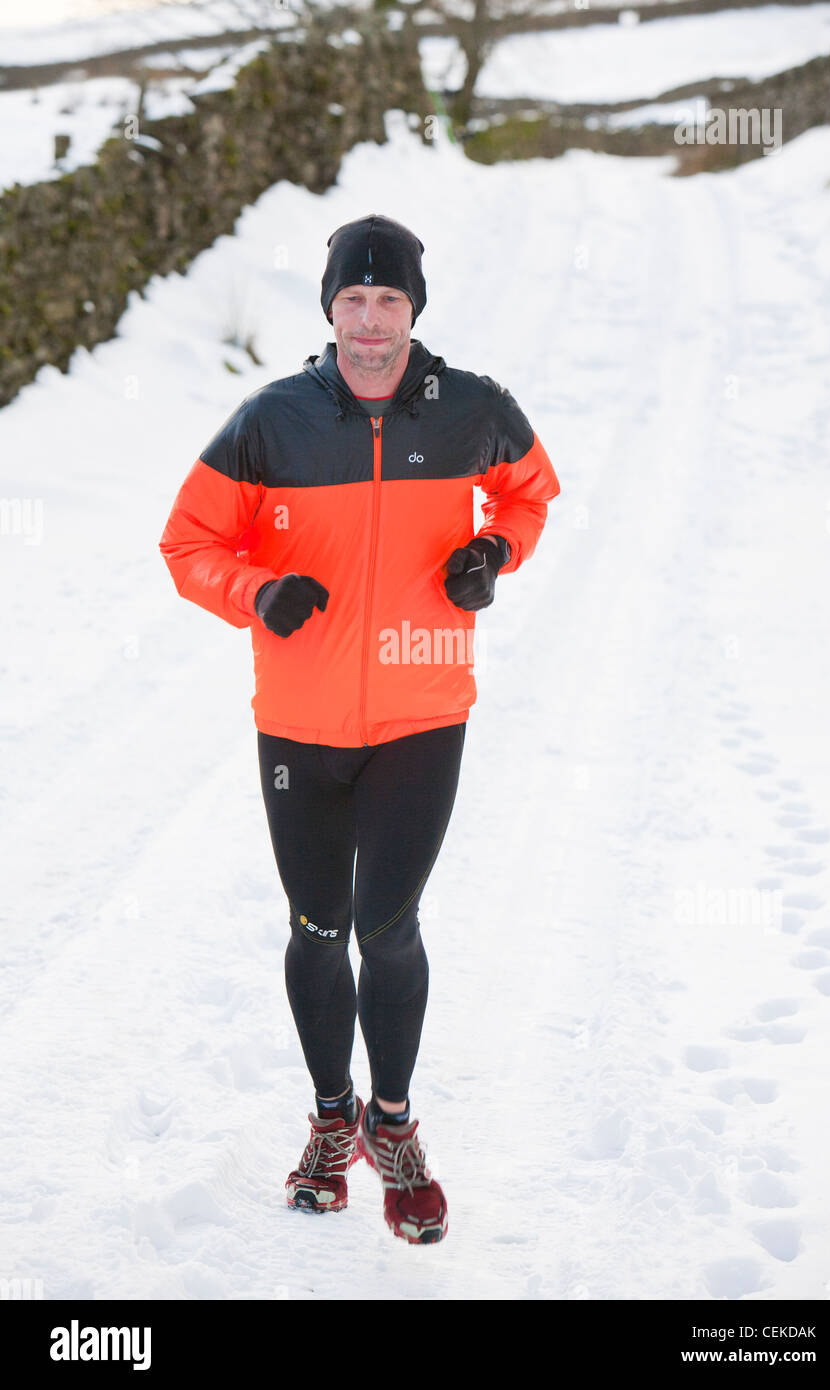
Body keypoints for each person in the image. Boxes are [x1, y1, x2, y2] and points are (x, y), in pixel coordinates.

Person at [159, 213, 561, 1244]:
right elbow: (188, 541)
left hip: (424, 712)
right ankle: (330, 1120)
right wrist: (256, 592)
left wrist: (494, 552)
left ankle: (394, 1122)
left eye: (388, 301)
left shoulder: (472, 406)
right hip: (299, 722)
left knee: (386, 929)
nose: (370, 320)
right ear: (329, 307)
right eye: (352, 299)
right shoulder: (271, 420)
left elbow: (529, 492)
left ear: (412, 309)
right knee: (316, 927)